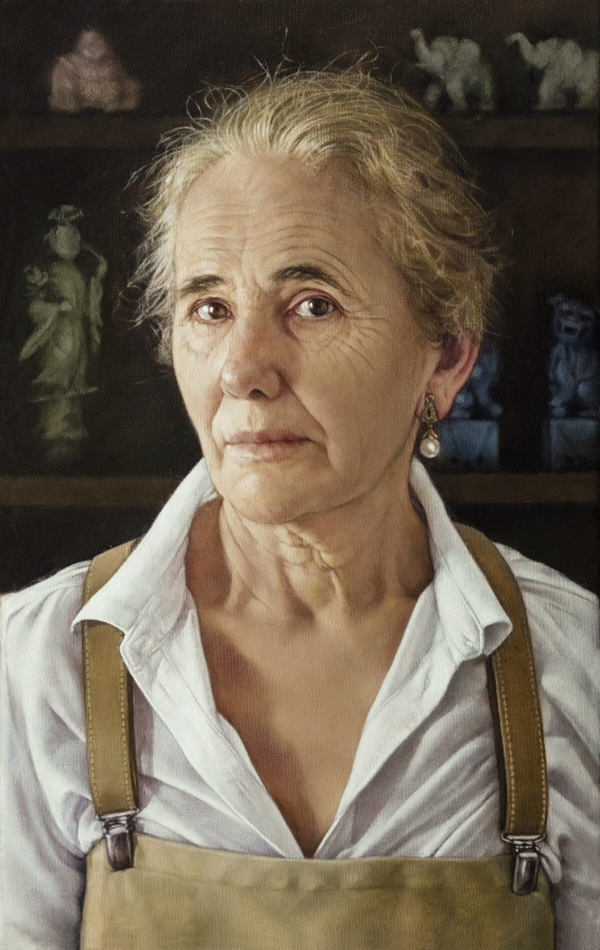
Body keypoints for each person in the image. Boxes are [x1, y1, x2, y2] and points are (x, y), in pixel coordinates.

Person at [1, 69, 598, 949]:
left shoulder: (574, 670)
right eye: (209, 307)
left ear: (444, 359)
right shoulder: (35, 668)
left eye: (312, 306)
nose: (242, 368)